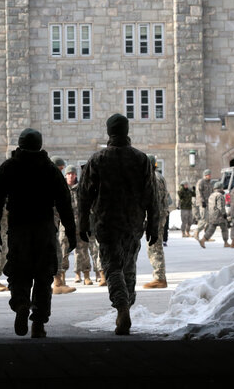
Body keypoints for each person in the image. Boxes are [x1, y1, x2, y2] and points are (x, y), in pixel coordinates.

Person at [0, 128, 77, 338]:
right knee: (44, 276)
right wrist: (71, 232)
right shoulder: (49, 169)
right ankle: (38, 321)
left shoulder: (10, 167)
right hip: (44, 229)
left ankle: (20, 304)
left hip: (19, 229)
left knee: (19, 272)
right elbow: (64, 202)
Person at [77, 114, 157, 335]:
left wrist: (82, 223)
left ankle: (121, 307)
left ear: (109, 132)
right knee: (128, 267)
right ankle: (127, 306)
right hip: (133, 223)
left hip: (106, 221)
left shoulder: (98, 159)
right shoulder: (141, 159)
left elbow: (84, 195)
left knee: (112, 267)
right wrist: (153, 224)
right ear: (127, 130)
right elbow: (152, 195)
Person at [50, 156, 76, 294]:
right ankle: (57, 282)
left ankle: (57, 281)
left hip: (47, 223)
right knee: (55, 252)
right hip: (47, 223)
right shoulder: (52, 181)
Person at [144, 155, 171, 288]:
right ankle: (159, 276)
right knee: (154, 246)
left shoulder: (153, 178)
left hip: (155, 218)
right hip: (157, 217)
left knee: (155, 246)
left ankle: (159, 278)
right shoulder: (157, 176)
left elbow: (154, 200)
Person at [64, 165, 93, 285]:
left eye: (73, 174)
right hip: (65, 226)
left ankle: (85, 275)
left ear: (76, 175)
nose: (71, 176)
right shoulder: (62, 189)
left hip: (80, 224)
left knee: (83, 251)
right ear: (65, 175)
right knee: (63, 251)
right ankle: (61, 277)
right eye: (69, 174)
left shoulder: (81, 188)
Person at [198, 181, 231, 248]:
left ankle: (203, 240)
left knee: (211, 229)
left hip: (212, 215)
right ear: (220, 188)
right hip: (219, 216)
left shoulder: (211, 195)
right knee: (224, 229)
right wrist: (224, 214)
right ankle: (226, 242)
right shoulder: (219, 195)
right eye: (222, 187)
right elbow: (220, 206)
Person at [193, 169, 213, 239]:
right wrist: (202, 201)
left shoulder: (210, 183)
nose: (210, 176)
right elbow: (198, 192)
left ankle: (206, 237)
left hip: (209, 204)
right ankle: (197, 231)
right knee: (204, 219)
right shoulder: (201, 182)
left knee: (209, 220)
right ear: (205, 175)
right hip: (203, 204)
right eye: (209, 175)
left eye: (210, 174)